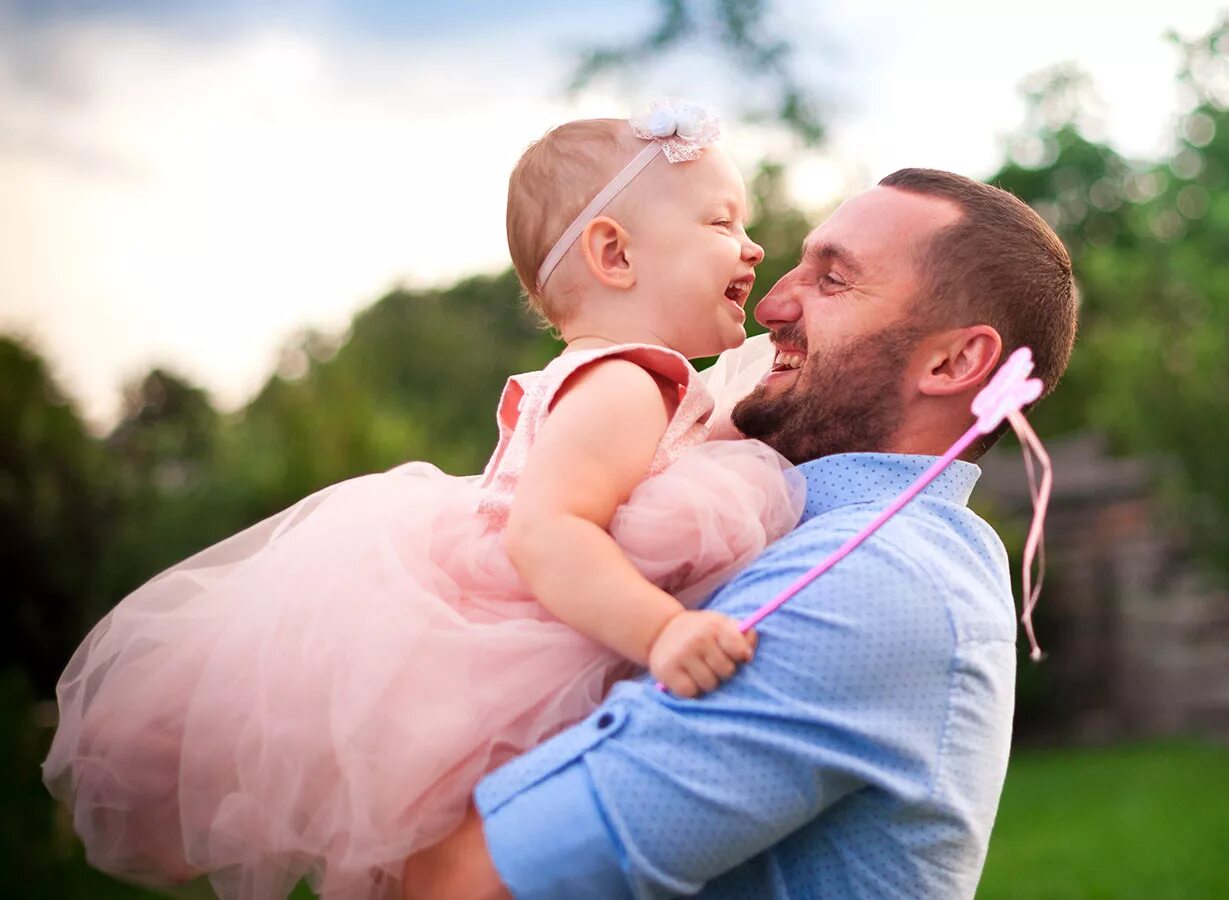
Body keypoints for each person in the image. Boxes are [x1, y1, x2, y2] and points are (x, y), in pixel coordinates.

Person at [43, 100, 805, 900]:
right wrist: (664, 630)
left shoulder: (608, 378)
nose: (753, 245)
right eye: (721, 222)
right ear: (614, 253)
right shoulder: (624, 384)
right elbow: (547, 535)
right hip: (528, 655)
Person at [403, 166, 1079, 899]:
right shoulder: (771, 521)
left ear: (953, 362)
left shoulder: (871, 579)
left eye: (832, 281)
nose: (772, 305)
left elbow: (473, 880)